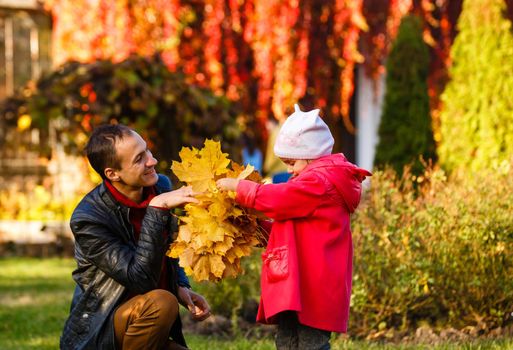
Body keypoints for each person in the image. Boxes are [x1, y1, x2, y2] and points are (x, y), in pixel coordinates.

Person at [217, 104, 371, 349]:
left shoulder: (319, 181)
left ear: (312, 155)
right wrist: (257, 228)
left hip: (312, 284)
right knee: (287, 340)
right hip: (302, 280)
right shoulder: (311, 181)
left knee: (310, 342)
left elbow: (280, 199)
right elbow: (291, 225)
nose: (288, 170)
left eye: (292, 162)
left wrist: (239, 188)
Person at [60, 124, 211, 350]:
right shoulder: (89, 218)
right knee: (162, 302)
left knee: (165, 300)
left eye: (147, 151)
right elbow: (140, 278)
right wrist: (157, 208)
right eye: (139, 158)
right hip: (105, 328)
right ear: (113, 173)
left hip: (141, 326)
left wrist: (180, 285)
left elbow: (167, 246)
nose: (152, 161)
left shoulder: (159, 186)